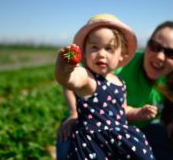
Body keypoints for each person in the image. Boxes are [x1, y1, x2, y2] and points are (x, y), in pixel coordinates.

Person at [56, 19, 173, 160]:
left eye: (171, 53)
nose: (159, 56)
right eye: (155, 47)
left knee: (161, 137)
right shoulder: (116, 64)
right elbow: (73, 80)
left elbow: (172, 133)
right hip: (84, 126)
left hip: (123, 132)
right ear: (147, 44)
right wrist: (74, 113)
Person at [55, 14, 157, 160]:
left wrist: (138, 112)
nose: (101, 54)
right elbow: (68, 80)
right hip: (93, 143)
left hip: (120, 139)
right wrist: (64, 67)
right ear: (85, 52)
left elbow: (123, 110)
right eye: (94, 47)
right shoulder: (88, 78)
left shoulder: (120, 82)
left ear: (121, 55)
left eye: (109, 48)